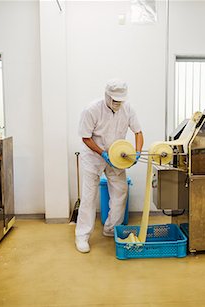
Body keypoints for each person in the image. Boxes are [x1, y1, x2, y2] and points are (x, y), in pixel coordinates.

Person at [75, 78, 144, 253]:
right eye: (114, 100)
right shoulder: (92, 110)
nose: (117, 104)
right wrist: (102, 153)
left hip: (117, 157)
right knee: (89, 197)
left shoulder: (127, 109)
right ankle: (82, 236)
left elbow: (138, 132)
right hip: (93, 156)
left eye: (120, 101)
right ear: (106, 95)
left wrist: (137, 151)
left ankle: (111, 228)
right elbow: (85, 137)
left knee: (121, 192)